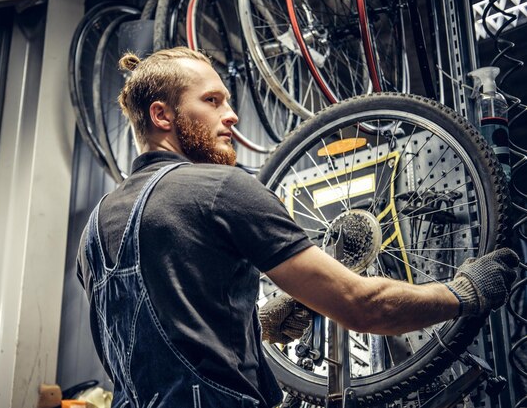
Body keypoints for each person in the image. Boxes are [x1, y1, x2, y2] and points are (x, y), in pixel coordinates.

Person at [76, 47, 518, 408]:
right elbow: (362, 306)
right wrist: (462, 293)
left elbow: (167, 330)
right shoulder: (220, 189)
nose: (231, 116)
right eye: (211, 101)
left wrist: (259, 324)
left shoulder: (95, 227)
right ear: (162, 115)